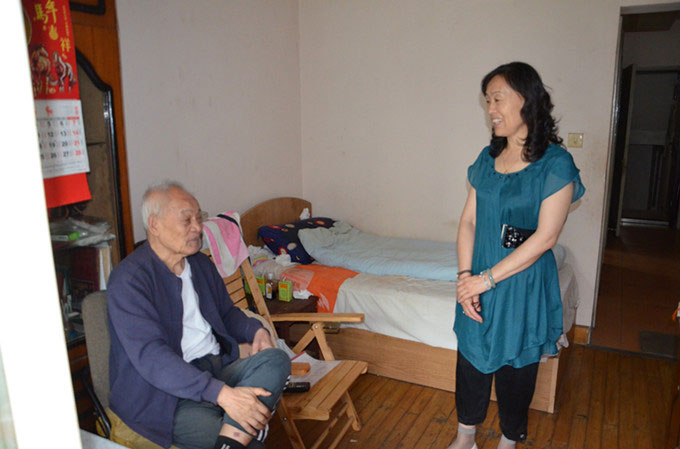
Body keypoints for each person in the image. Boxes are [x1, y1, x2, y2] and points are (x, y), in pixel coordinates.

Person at [449, 62, 585, 449]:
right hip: (477, 276)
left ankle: (509, 440)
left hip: (521, 281)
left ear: (528, 100)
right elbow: (468, 222)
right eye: (487, 100)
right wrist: (465, 277)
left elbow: (546, 237)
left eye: (497, 99)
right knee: (471, 358)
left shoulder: (555, 163)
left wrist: (485, 279)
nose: (490, 109)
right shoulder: (485, 159)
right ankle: (465, 437)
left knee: (517, 369)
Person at [106, 181, 291, 449]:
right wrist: (223, 395)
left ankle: (234, 434)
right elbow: (152, 358)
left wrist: (256, 330)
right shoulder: (130, 281)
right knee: (251, 443)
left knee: (275, 359)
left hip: (216, 369)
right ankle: (241, 434)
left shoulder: (200, 263)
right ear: (154, 224)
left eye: (199, 218)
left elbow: (226, 313)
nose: (197, 227)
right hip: (165, 396)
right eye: (187, 220)